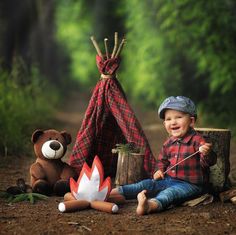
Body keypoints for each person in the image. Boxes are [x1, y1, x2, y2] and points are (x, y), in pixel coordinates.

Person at [110, 96, 217, 215]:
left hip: (191, 185)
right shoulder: (169, 142)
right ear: (164, 123)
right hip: (168, 179)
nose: (173, 122)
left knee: (170, 193)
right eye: (168, 119)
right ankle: (111, 193)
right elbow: (162, 161)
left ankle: (149, 206)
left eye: (179, 117)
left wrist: (206, 153)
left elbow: (208, 162)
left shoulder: (198, 141)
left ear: (191, 121)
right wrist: (159, 170)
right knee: (146, 184)